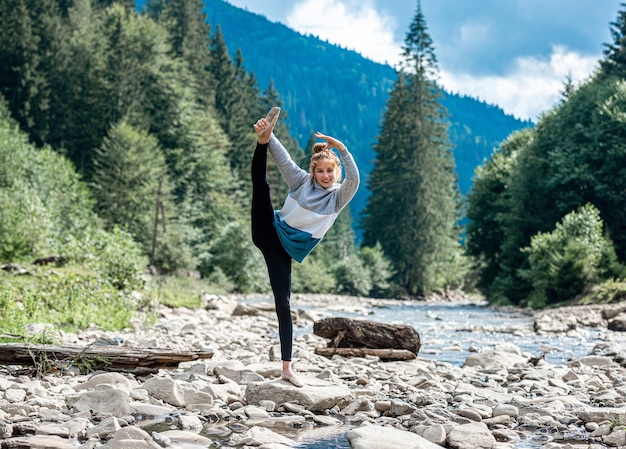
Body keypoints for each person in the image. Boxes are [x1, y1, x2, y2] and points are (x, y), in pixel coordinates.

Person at [251, 107, 360, 387]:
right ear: (313, 171)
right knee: (261, 187)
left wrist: (342, 148)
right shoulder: (301, 181)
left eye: (329, 171)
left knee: (283, 305)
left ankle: (287, 369)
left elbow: (355, 180)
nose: (325, 175)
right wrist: (269, 137)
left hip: (283, 251)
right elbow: (284, 159)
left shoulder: (337, 199)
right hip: (267, 231)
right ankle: (261, 140)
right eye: (320, 170)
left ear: (336, 173)